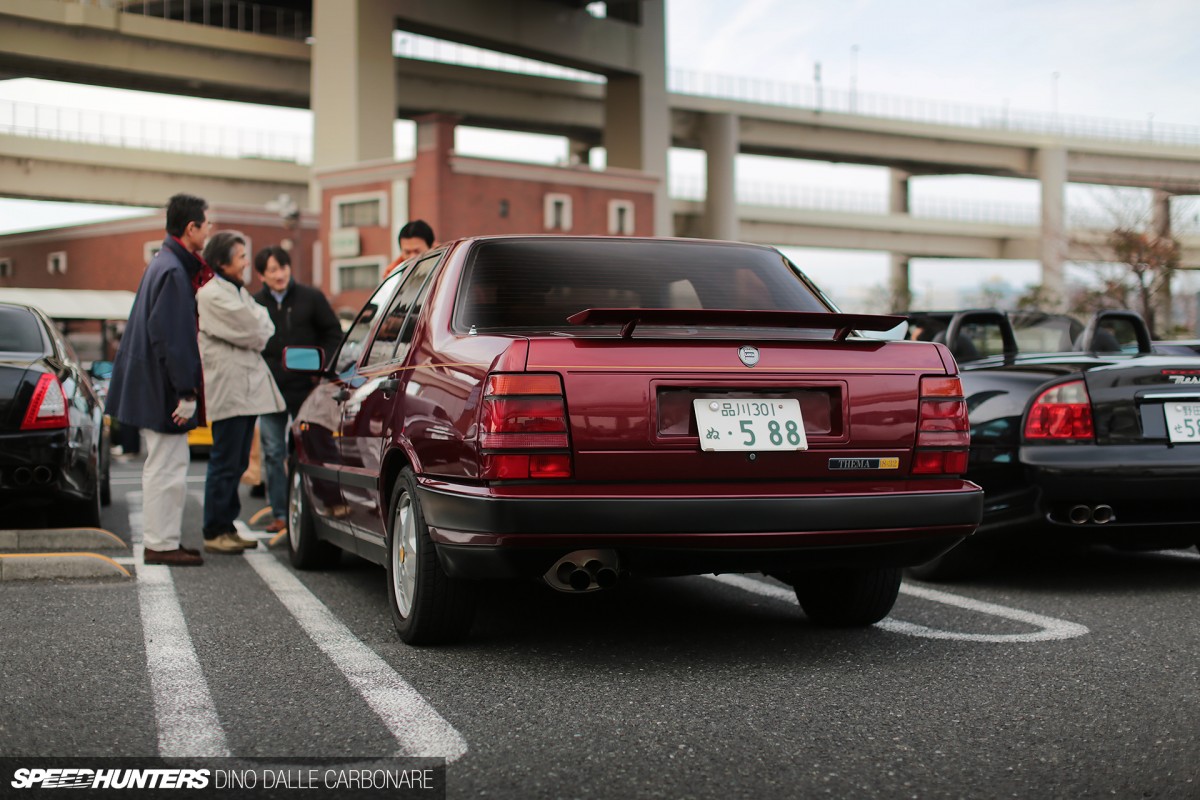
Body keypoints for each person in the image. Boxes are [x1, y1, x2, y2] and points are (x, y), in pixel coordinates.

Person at [105, 193, 213, 566]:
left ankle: (161, 540)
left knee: (163, 464)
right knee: (168, 464)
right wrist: (186, 391)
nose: (209, 230)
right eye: (206, 224)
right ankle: (162, 543)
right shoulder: (172, 271)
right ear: (191, 228)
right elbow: (172, 337)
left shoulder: (162, 264)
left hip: (150, 381)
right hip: (163, 386)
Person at [197, 231, 286, 553]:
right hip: (230, 388)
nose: (246, 261)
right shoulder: (211, 295)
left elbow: (264, 326)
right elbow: (254, 329)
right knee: (224, 461)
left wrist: (256, 328)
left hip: (243, 389)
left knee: (236, 463)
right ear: (222, 262)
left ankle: (226, 525)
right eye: (240, 256)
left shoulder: (236, 291)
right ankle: (214, 529)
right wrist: (256, 328)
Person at [253, 246, 342, 533]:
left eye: (283, 268)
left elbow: (334, 334)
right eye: (272, 271)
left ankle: (329, 507)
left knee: (316, 445)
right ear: (261, 276)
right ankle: (281, 514)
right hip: (270, 389)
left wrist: (322, 366)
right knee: (272, 451)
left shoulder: (311, 297)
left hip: (307, 387)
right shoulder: (254, 304)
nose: (280, 275)